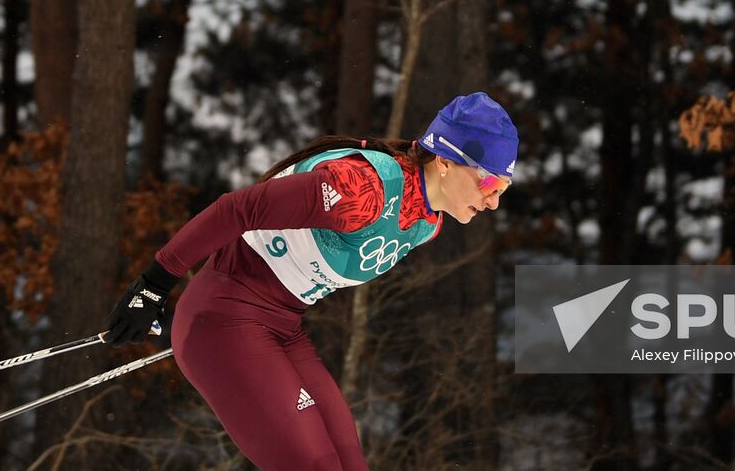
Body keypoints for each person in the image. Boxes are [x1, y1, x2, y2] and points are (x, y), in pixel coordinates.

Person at [104, 92, 518, 471]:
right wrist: (153, 285)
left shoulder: (428, 223)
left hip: (283, 329)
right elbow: (236, 210)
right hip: (223, 320)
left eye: (504, 187)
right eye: (487, 182)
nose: (493, 200)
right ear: (444, 161)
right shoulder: (362, 191)